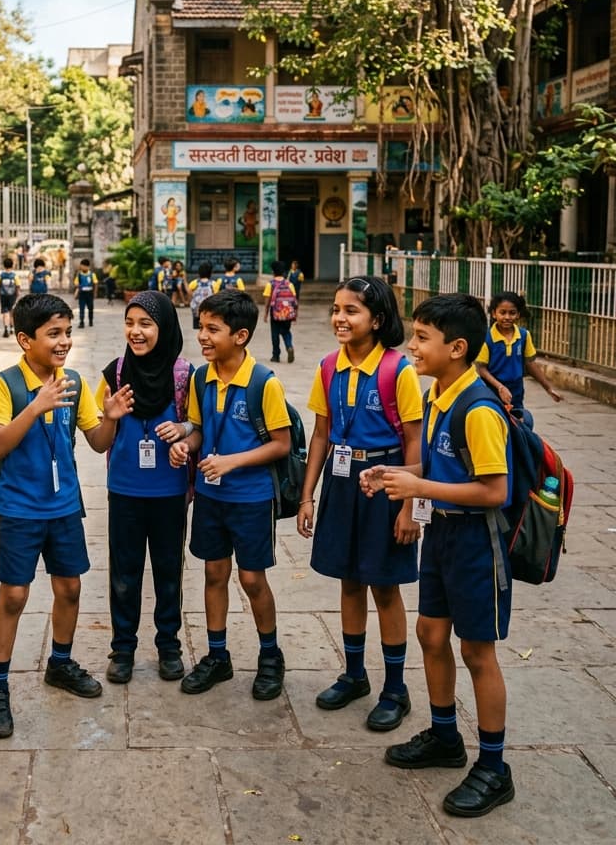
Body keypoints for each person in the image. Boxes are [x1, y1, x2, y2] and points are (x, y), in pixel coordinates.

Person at [360, 293, 515, 819]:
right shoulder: (438, 396)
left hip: (476, 541)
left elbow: (494, 491)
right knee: (430, 633)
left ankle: (493, 767)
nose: (412, 346)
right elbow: (432, 466)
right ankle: (446, 736)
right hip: (442, 533)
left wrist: (419, 486)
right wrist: (392, 475)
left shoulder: (479, 409)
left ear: (457, 347)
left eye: (422, 338)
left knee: (477, 651)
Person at [0, 294, 133, 739]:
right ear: (25, 340)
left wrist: (112, 418)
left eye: (67, 332)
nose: (64, 341)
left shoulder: (74, 383)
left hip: (63, 505)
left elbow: (97, 442)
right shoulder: (5, 384)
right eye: (53, 334)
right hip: (19, 508)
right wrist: (35, 406)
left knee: (70, 588)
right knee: (14, 596)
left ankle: (60, 663)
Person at [297, 276, 423, 733]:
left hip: (387, 483)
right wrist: (307, 495)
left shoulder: (397, 370)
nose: (340, 318)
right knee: (348, 580)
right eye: (336, 309)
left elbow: (415, 441)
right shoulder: (328, 367)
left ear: (378, 319)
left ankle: (396, 689)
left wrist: (410, 507)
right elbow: (320, 434)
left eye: (351, 310)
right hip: (342, 480)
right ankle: (354, 674)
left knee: (384, 587)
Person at [169, 289, 292, 701]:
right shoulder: (201, 378)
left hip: (252, 497)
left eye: (212, 329)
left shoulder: (263, 383)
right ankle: (217, 655)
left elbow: (281, 444)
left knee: (252, 578)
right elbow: (198, 429)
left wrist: (231, 462)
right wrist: (185, 444)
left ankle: (270, 655)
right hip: (211, 495)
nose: (202, 336)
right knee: (214, 573)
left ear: (240, 336)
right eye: (201, 327)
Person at [98, 291, 193, 684]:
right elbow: (100, 440)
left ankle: (169, 646)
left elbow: (198, 427)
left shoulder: (184, 376)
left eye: (146, 324)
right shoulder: (114, 374)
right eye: (130, 323)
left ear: (165, 327)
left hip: (169, 491)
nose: (135, 331)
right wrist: (109, 415)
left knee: (169, 571)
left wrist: (184, 434)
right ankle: (122, 649)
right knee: (124, 574)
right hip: (124, 489)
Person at [475, 291, 562, 429]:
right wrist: (500, 387)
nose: (507, 317)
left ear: (518, 314)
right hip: (491, 391)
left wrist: (548, 388)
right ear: (494, 314)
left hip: (515, 391)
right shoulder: (487, 338)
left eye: (512, 313)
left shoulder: (523, 336)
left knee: (520, 426)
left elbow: (530, 363)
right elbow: (481, 369)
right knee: (495, 425)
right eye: (502, 312)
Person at [262, 261, 298, 363]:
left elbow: (267, 301)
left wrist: (266, 314)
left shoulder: (270, 284)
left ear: (273, 272)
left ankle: (276, 355)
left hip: (275, 313)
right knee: (286, 332)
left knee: (275, 334)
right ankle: (289, 346)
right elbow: (294, 301)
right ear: (283, 272)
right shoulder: (289, 284)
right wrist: (295, 315)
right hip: (287, 313)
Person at [0, 257, 20, 338]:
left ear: (4, 265)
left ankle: (6, 328)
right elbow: (18, 286)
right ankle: (12, 328)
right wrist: (17, 296)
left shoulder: (0, 276)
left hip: (3, 296)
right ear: (12, 265)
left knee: (5, 313)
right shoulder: (15, 276)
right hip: (12, 296)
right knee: (12, 312)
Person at [187, 262, 214, 330]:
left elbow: (189, 292)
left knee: (198, 326)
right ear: (210, 273)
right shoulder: (213, 283)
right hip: (209, 308)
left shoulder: (194, 283)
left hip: (196, 309)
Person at [73, 258, 98, 329]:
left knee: (90, 308)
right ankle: (81, 322)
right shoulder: (79, 275)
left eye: (84, 266)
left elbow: (96, 283)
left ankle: (90, 320)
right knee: (81, 308)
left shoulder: (92, 274)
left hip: (89, 293)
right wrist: (78, 286)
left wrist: (95, 293)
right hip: (82, 294)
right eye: (81, 266)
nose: (82, 267)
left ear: (88, 267)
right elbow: (76, 283)